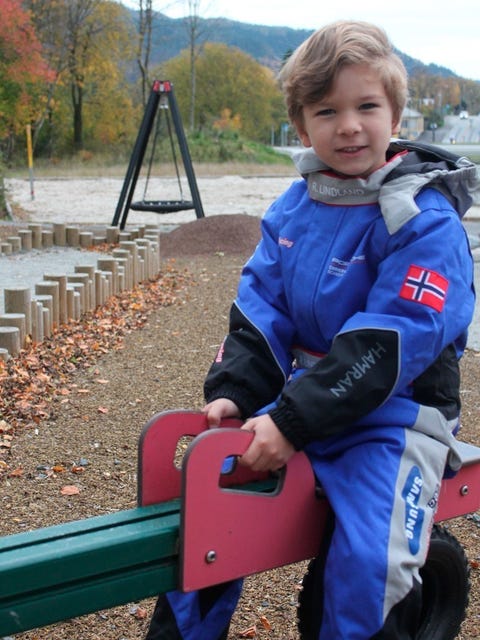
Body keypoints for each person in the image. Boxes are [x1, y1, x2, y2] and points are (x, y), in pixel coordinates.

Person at [145, 19, 479, 640]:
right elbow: (260, 309)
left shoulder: (423, 220)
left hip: (394, 416)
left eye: (366, 106)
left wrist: (293, 420)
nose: (348, 125)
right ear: (301, 127)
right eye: (327, 111)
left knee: (370, 561)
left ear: (395, 112)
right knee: (206, 505)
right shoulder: (295, 207)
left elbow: (391, 339)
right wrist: (238, 390)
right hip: (301, 399)